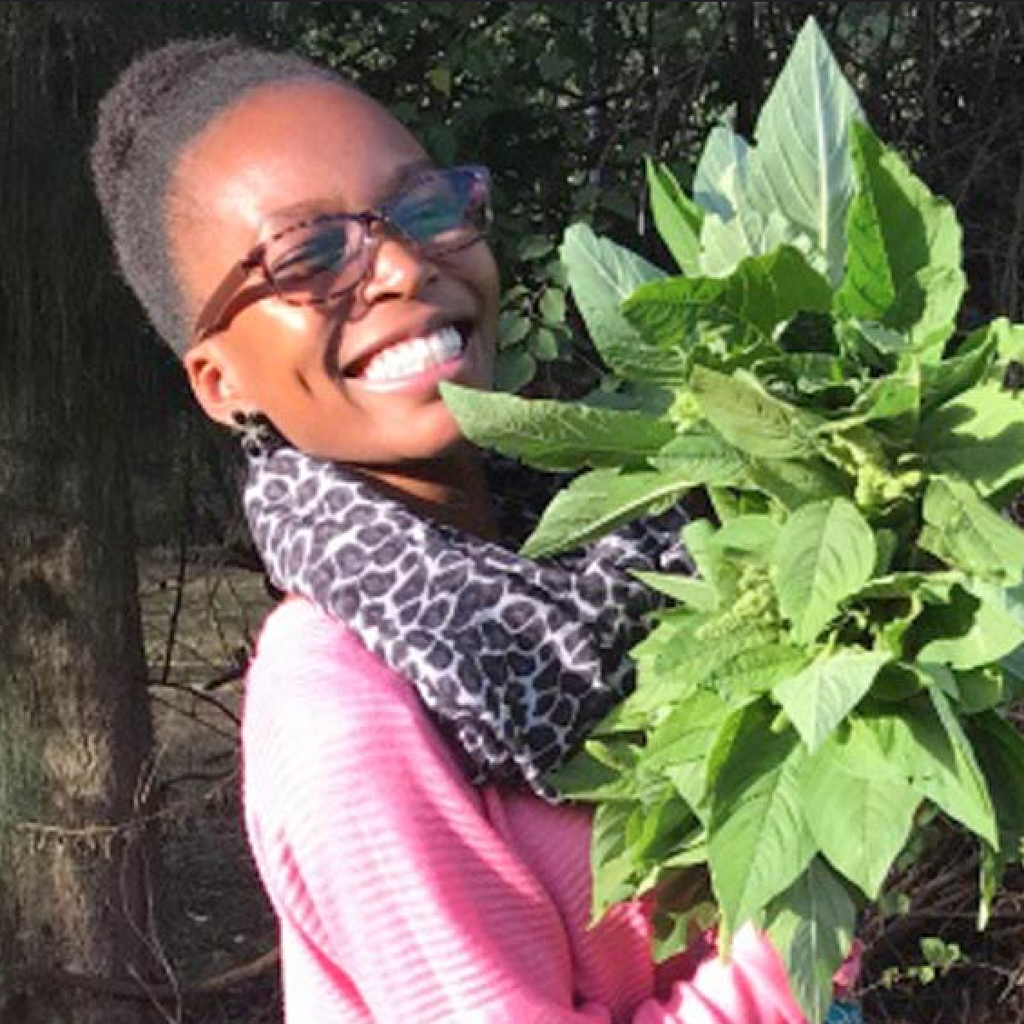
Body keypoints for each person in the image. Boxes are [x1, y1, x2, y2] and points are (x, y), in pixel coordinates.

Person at [89, 36, 857, 1024]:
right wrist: (808, 918)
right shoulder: (345, 703)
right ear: (221, 380)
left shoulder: (613, 540)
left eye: (422, 208)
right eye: (308, 256)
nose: (404, 265)